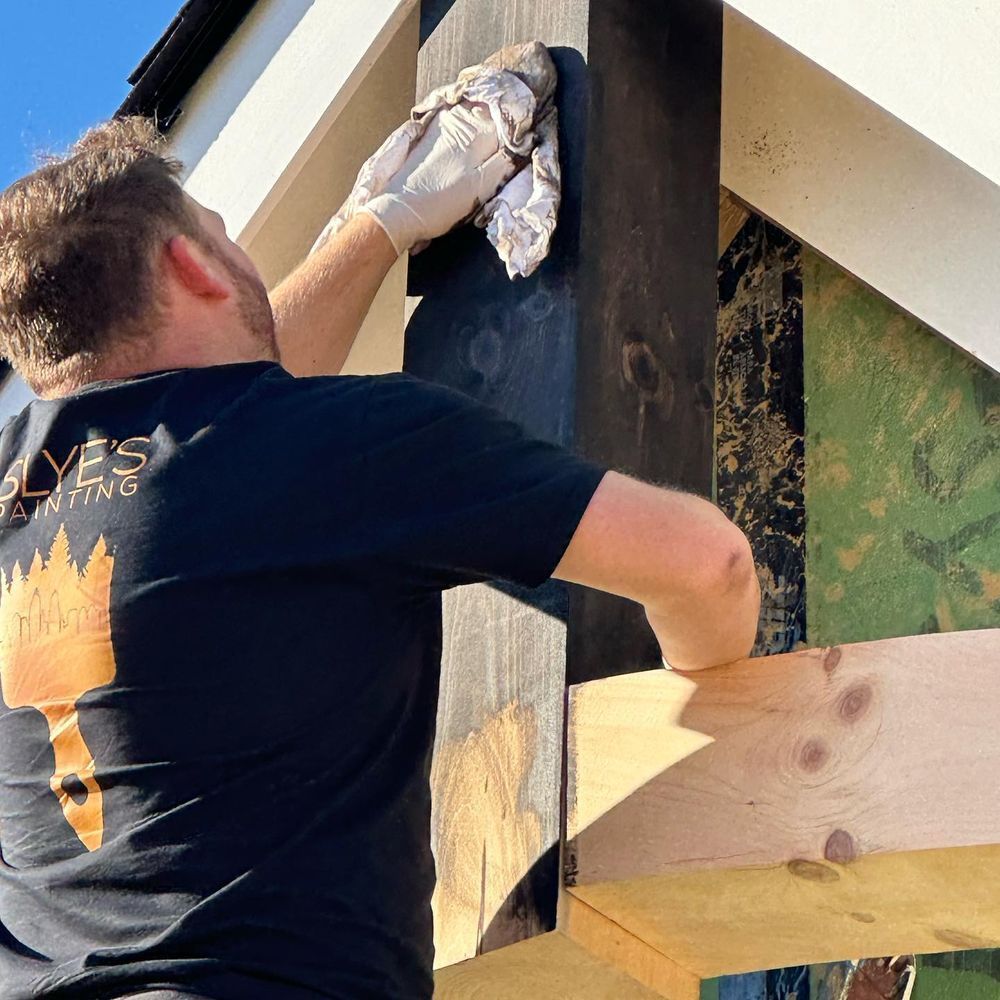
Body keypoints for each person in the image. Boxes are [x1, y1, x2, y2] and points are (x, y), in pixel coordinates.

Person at [0, 107, 759, 999]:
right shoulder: (342, 449)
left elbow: (223, 438)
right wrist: (714, 693)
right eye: (222, 234)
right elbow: (710, 565)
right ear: (191, 264)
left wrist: (376, 229)